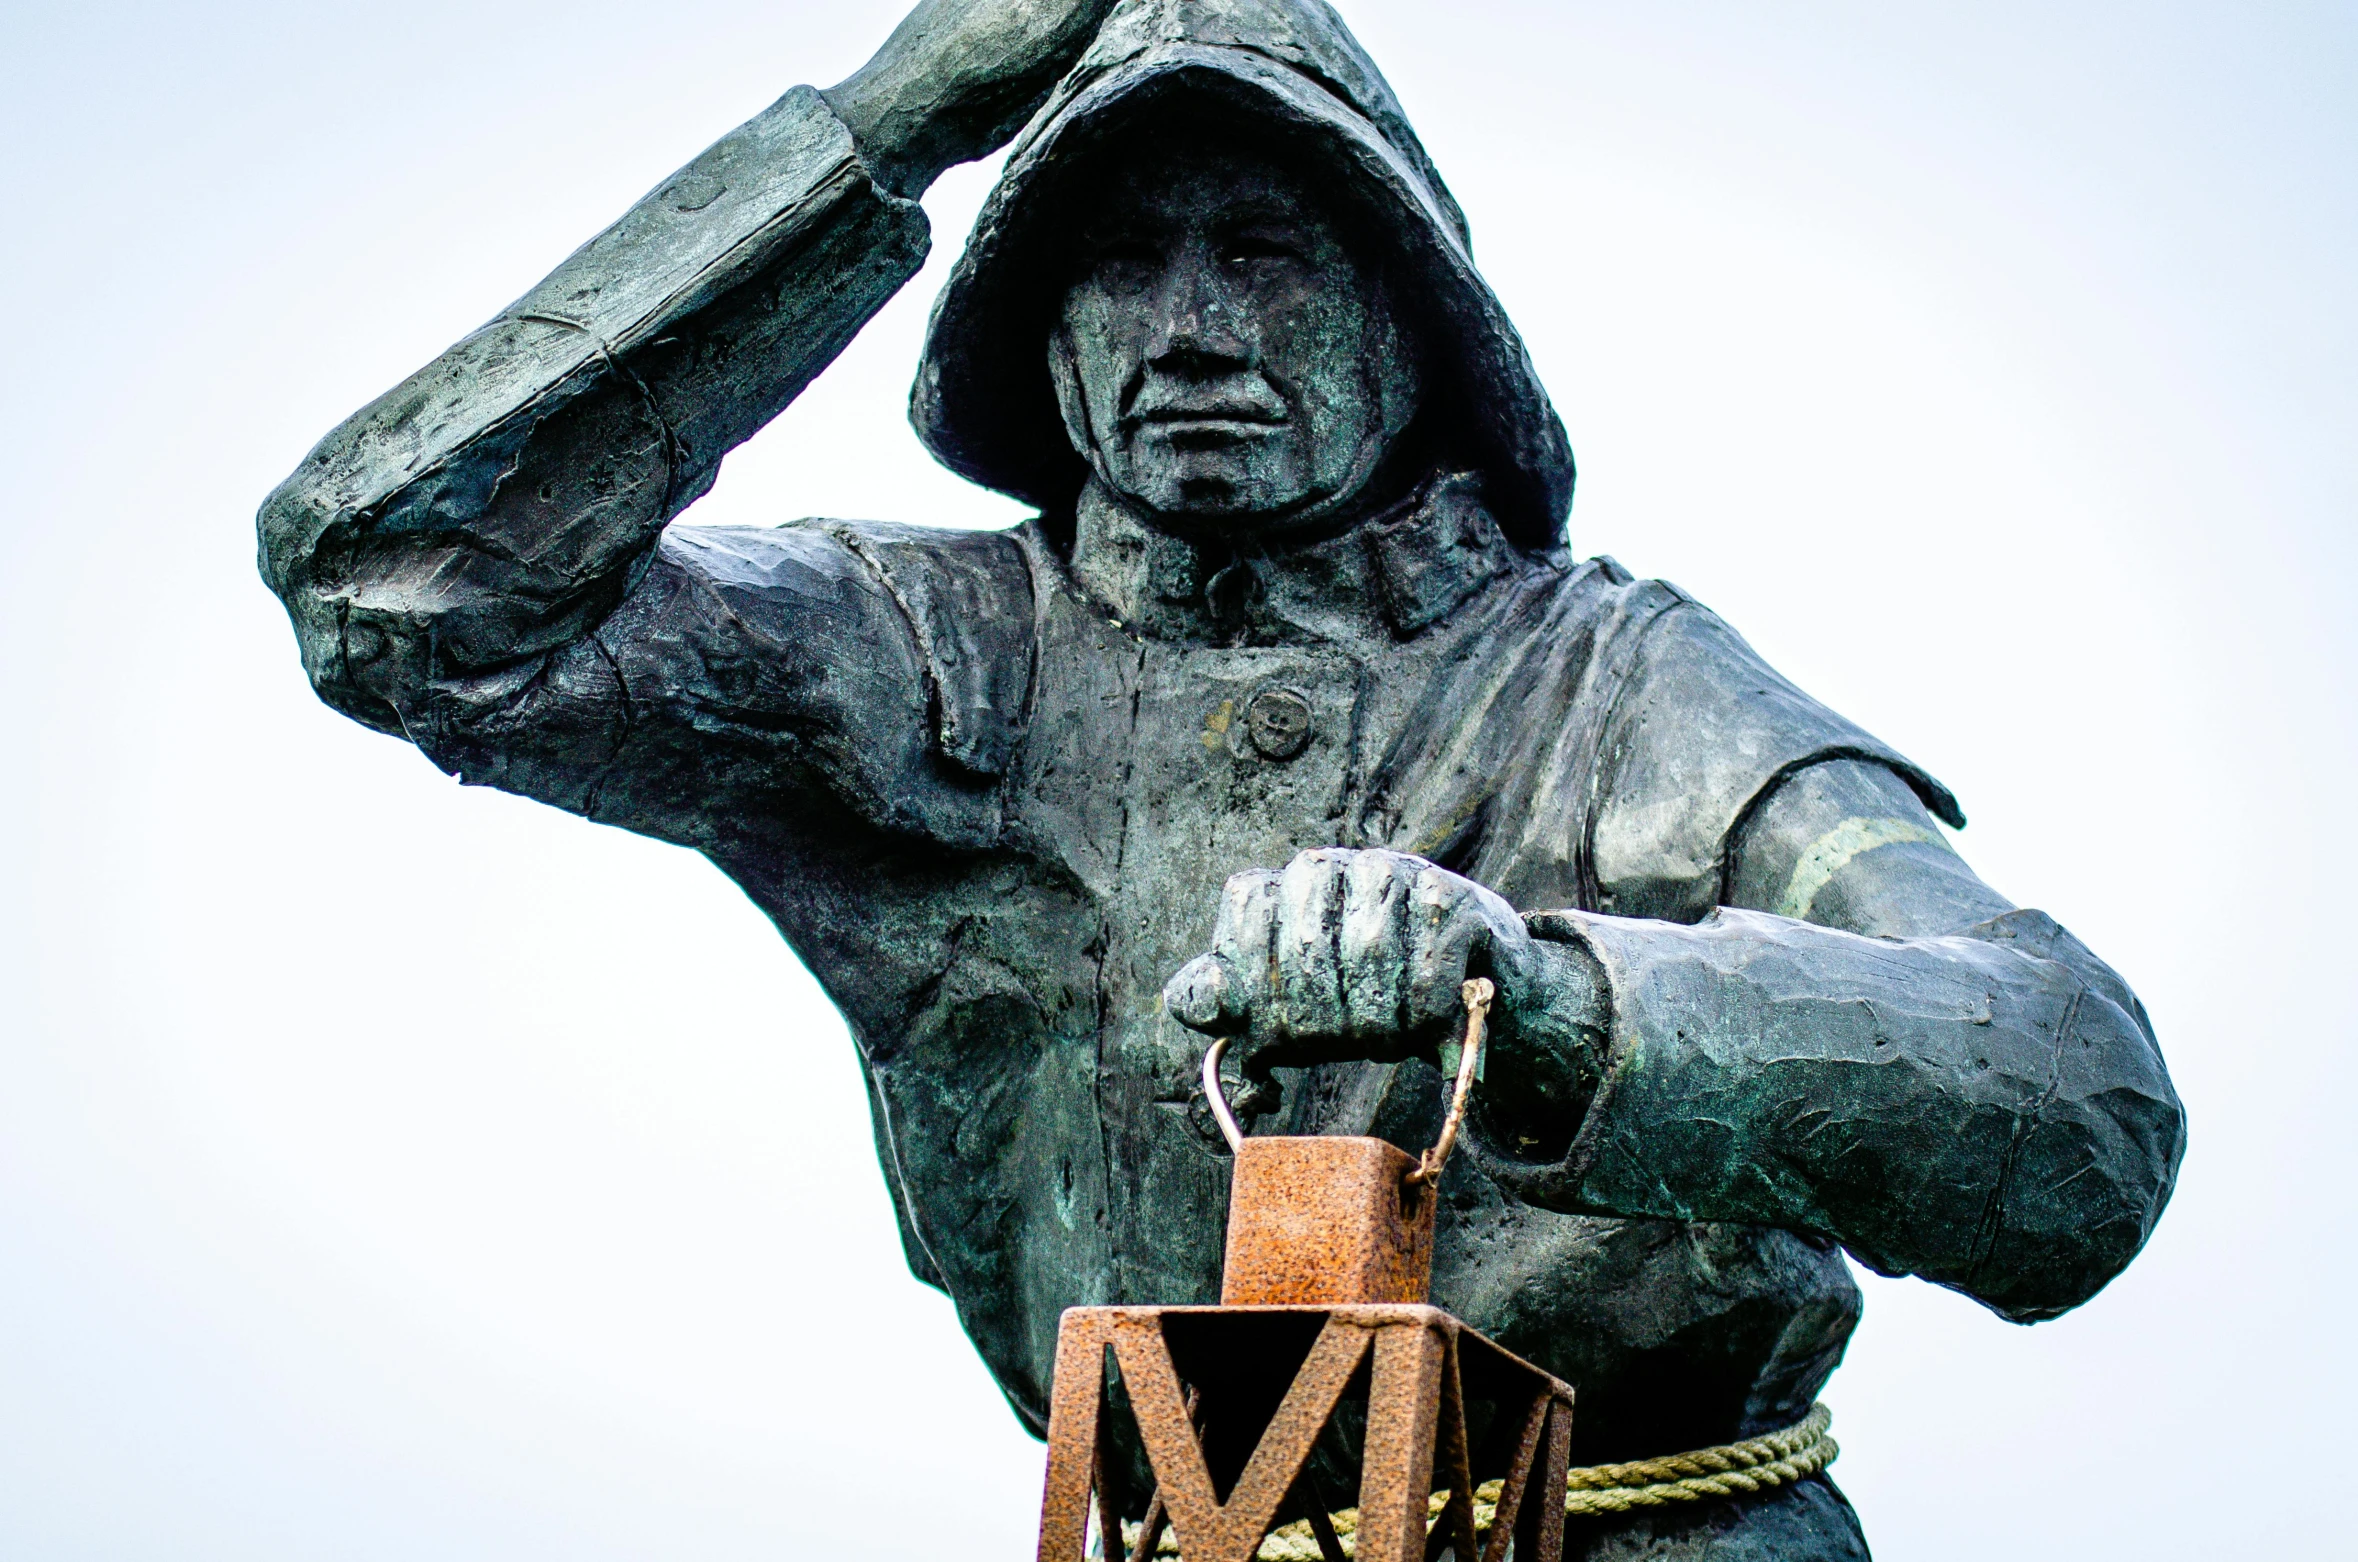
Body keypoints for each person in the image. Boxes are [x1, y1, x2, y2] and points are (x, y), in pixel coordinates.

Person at [256, 0, 2185, 1554]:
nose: (1188, 328)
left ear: (1406, 320)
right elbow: (393, 591)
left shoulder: (1623, 674)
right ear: (1042, 326)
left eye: (1262, 253)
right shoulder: (920, 649)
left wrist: (1558, 1005)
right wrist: (884, 124)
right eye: (1116, 262)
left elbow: (2082, 1103)